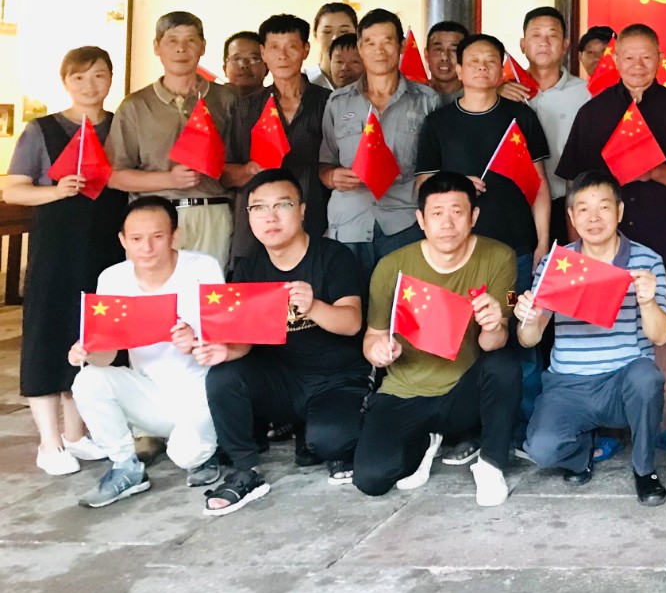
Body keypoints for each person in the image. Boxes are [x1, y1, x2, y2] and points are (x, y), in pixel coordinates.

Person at [194, 169, 367, 513]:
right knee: (223, 376)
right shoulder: (248, 268)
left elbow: (352, 323)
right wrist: (223, 351)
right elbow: (244, 342)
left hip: (334, 380)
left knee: (332, 442)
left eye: (282, 205)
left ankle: (317, 432)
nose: (270, 217)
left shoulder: (334, 257)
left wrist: (314, 306)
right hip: (279, 382)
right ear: (249, 216)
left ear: (302, 210)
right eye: (259, 208)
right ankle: (244, 469)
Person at [557, 23, 666, 420]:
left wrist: (651, 170)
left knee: (661, 332)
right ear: (616, 59)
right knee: (605, 331)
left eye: (646, 57)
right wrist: (577, 251)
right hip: (604, 247)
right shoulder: (594, 112)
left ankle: (657, 419)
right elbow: (574, 184)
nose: (638, 65)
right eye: (629, 57)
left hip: (664, 240)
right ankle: (610, 421)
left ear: (660, 58)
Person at [355, 172, 519, 506]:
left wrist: (492, 326)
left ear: (473, 216)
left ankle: (491, 464)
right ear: (421, 219)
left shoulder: (499, 257)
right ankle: (425, 442)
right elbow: (372, 338)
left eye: (457, 212)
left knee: (504, 365)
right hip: (404, 391)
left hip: (462, 393)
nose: (447, 223)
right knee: (371, 479)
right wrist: (379, 351)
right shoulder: (392, 266)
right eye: (437, 213)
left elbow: (494, 344)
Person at [1, 45, 126, 476]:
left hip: (107, 250)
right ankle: (49, 443)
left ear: (111, 79)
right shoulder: (42, 130)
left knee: (91, 337)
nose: (90, 85)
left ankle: (76, 435)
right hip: (56, 251)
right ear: (65, 82)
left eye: (99, 75)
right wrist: (56, 190)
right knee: (48, 336)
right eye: (79, 77)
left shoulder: (120, 126)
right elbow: (14, 190)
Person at [517, 170, 666, 506]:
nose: (594, 218)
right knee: (541, 449)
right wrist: (528, 317)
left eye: (603, 207)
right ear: (571, 217)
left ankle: (645, 470)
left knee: (647, 378)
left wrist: (647, 302)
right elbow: (529, 339)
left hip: (622, 382)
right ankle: (581, 453)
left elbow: (661, 337)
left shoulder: (646, 261)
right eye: (583, 209)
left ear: (619, 211)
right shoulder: (556, 265)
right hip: (569, 384)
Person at [69, 198, 223, 507]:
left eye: (157, 236)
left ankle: (208, 450)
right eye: (136, 239)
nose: (147, 248)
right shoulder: (113, 278)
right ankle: (125, 466)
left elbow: (225, 337)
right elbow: (107, 355)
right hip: (150, 395)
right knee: (88, 380)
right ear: (123, 241)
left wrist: (195, 340)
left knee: (186, 455)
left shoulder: (202, 268)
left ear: (175, 235)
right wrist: (87, 351)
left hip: (201, 390)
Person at [416, 33, 552, 287]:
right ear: (459, 70)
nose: (482, 66)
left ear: (501, 71)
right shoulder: (438, 122)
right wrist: (457, 184)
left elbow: (540, 185)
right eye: (474, 61)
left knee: (512, 308)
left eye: (490, 61)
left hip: (516, 246)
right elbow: (422, 187)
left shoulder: (522, 116)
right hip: (456, 249)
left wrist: (542, 243)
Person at [108, 10, 237, 266]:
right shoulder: (135, 105)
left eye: (190, 40)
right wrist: (169, 179)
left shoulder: (226, 99)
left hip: (212, 212)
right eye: (172, 41)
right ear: (157, 47)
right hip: (154, 217)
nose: (181, 48)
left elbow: (235, 164)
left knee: (209, 287)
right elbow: (113, 176)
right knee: (154, 288)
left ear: (203, 47)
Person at [320, 8, 440, 276]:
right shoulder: (338, 102)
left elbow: (436, 165)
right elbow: (324, 162)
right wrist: (331, 176)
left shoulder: (426, 101)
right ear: (360, 48)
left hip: (404, 223)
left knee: (400, 300)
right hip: (349, 223)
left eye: (387, 41)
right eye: (370, 42)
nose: (379, 50)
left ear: (401, 45)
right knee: (349, 299)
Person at [224, 14, 331, 261]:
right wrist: (250, 169)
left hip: (314, 219)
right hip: (259, 228)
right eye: (274, 48)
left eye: (291, 47)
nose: (282, 56)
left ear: (305, 50)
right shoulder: (247, 108)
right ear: (263, 52)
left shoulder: (328, 103)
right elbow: (226, 174)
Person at [503, 7, 591, 246]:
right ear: (522, 45)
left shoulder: (586, 93)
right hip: (515, 206)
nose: (544, 42)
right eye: (536, 35)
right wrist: (495, 94)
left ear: (565, 45)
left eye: (552, 35)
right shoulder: (504, 91)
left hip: (568, 206)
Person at [309, 2, 358, 89]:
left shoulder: (369, 81)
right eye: (327, 32)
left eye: (344, 31)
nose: (335, 38)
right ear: (315, 34)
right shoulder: (304, 81)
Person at [425, 20, 470, 100]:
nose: (445, 57)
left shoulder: (479, 98)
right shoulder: (414, 99)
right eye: (438, 49)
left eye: (453, 50)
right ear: (426, 55)